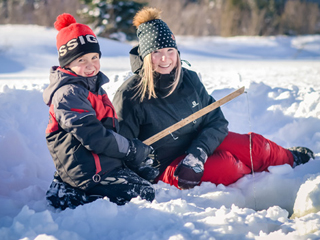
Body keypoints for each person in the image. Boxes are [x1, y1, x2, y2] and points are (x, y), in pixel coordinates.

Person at [112, 7, 315, 190]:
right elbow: (122, 150)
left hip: (199, 145)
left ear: (177, 52)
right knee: (226, 167)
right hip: (168, 165)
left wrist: (198, 152)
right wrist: (145, 167)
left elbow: (216, 121)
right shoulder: (130, 95)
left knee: (255, 146)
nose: (165, 59)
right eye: (156, 52)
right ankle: (255, 175)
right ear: (146, 56)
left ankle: (290, 159)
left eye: (170, 51)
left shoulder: (188, 80)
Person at [43, 13, 159, 210]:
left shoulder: (93, 88)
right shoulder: (67, 94)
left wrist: (134, 155)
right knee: (142, 193)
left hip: (101, 163)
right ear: (67, 63)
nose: (91, 66)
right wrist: (130, 149)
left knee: (147, 175)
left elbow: (110, 131)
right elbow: (95, 136)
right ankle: (70, 193)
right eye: (81, 60)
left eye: (94, 57)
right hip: (86, 170)